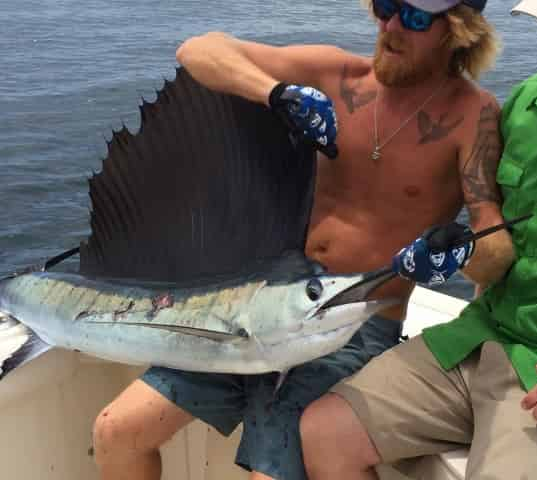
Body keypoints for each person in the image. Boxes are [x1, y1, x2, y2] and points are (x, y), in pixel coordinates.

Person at [91, 1, 510, 479]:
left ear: (457, 32)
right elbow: (200, 51)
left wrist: (462, 252)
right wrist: (276, 94)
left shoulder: (473, 116)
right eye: (385, 6)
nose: (390, 26)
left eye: (413, 18)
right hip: (265, 308)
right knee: (116, 430)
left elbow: (492, 243)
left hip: (354, 327)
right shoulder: (335, 75)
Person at [300, 0, 537, 479]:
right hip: (479, 341)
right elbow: (495, 247)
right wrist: (461, 254)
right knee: (322, 431)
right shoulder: (525, 103)